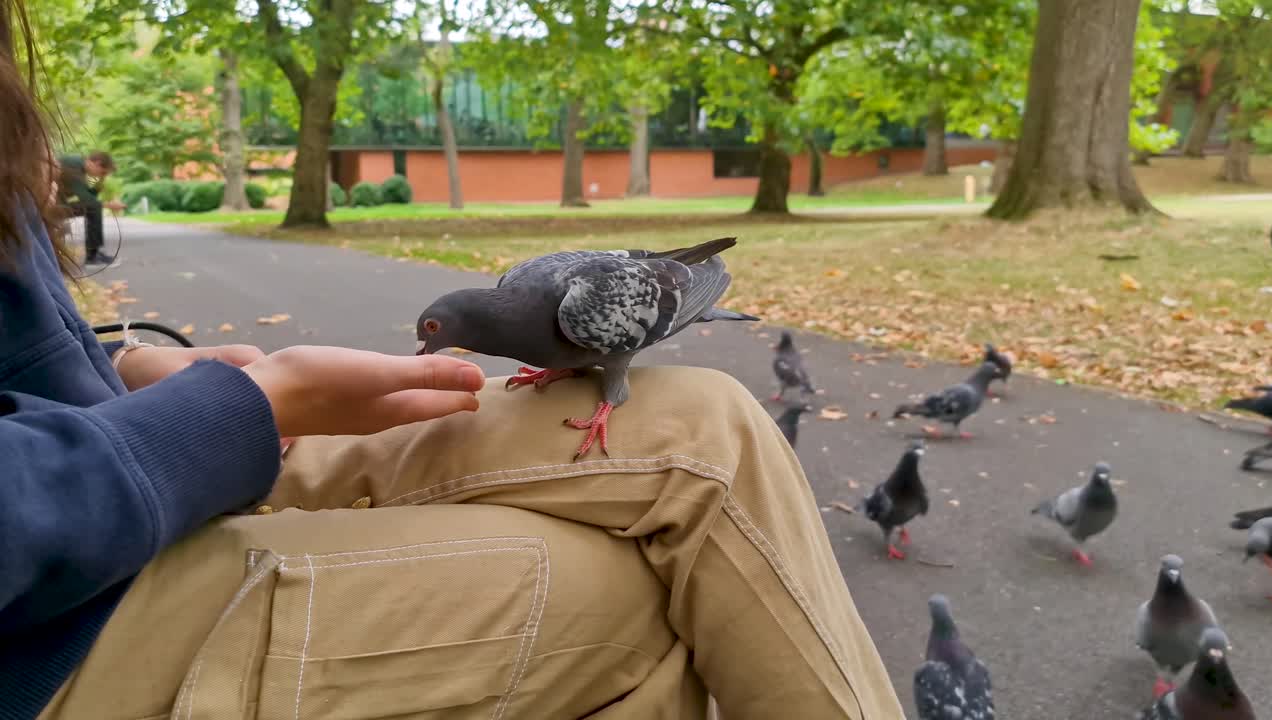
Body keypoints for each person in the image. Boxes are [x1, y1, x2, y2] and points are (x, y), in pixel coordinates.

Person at [0, 3, 904, 719]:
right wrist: (237, 410)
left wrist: (121, 372)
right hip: (55, 627)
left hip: (107, 466)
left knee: (712, 421)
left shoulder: (555, 294)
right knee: (640, 597)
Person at [56, 150, 124, 265]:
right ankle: (92, 256)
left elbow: (88, 194)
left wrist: (99, 185)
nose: (102, 176)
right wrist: (108, 205)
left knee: (94, 208)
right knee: (94, 208)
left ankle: (94, 253)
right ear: (96, 164)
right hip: (44, 206)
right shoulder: (73, 165)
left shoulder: (82, 169)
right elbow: (84, 198)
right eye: (103, 173)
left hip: (55, 202)